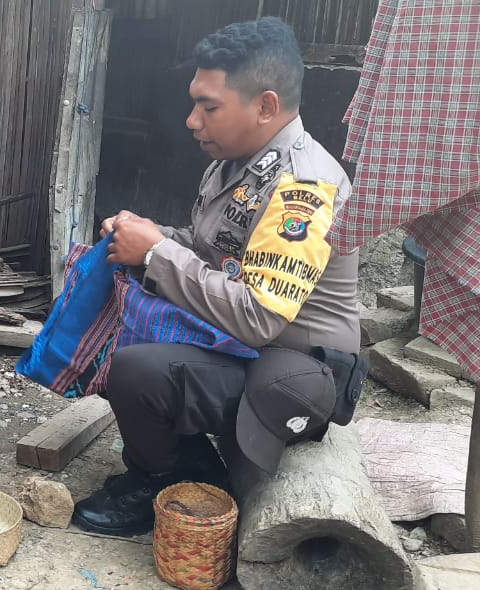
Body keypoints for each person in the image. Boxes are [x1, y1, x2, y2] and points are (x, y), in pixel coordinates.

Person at [71, 17, 362, 537]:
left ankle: (161, 477)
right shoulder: (232, 165)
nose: (191, 121)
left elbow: (259, 316)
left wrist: (157, 254)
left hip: (297, 372)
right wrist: (150, 235)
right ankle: (193, 464)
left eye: (208, 107)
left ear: (265, 106)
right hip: (250, 348)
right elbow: (209, 250)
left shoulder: (305, 187)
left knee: (134, 369)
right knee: (123, 320)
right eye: (194, 104)